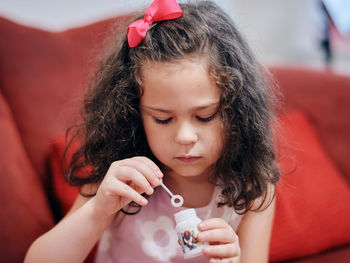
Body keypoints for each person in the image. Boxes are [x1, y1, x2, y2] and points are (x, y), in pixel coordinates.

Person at [25, 0, 280, 262]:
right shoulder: (122, 179)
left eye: (205, 116)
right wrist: (98, 211)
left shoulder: (253, 187)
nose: (185, 137)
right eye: (162, 119)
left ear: (237, 109)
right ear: (134, 114)